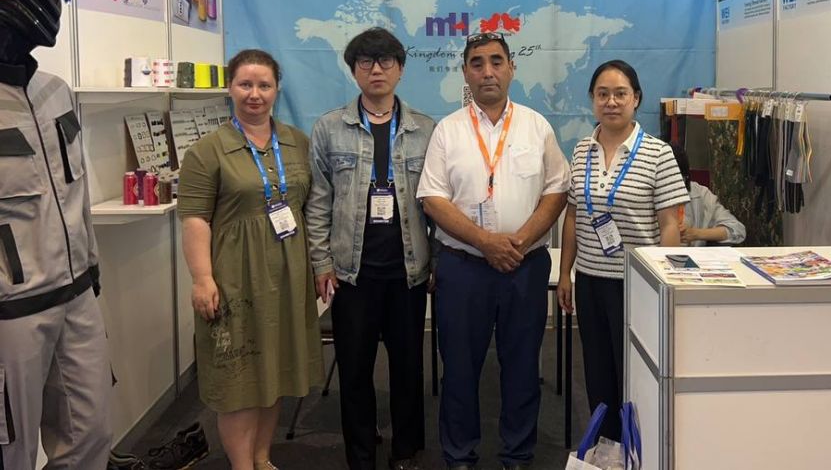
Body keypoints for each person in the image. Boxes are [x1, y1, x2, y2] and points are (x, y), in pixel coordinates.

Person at [417, 32, 569, 470]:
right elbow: (433, 199)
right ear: (465, 72)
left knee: (522, 366)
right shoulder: (447, 130)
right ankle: (459, 455)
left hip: (524, 265)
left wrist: (516, 243)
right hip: (464, 268)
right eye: (478, 63)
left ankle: (517, 454)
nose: (488, 71)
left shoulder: (537, 126)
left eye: (497, 62)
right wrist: (485, 242)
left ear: (511, 69)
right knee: (459, 368)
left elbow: (556, 190)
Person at [178, 49, 323, 470]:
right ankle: (242, 465)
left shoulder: (298, 142)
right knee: (239, 379)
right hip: (235, 278)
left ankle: (262, 457)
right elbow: (195, 220)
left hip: (288, 275)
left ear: (277, 89)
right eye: (245, 84)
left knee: (274, 371)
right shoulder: (207, 151)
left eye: (264, 85)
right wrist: (202, 278)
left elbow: (312, 207)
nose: (254, 94)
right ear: (230, 88)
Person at [0, 0, 113, 469]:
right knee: (12, 450)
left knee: (90, 436)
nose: (52, 6)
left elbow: (77, 190)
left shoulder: (56, 92)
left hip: (77, 297)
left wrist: (90, 268)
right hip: (11, 313)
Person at [306, 28, 435, 470]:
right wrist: (321, 263)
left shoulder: (425, 130)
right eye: (365, 61)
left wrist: (437, 261)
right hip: (351, 274)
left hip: (408, 272)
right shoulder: (329, 128)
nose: (376, 69)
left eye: (385, 61)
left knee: (407, 369)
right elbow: (318, 202)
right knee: (355, 371)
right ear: (354, 70)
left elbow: (437, 204)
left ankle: (406, 451)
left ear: (400, 69)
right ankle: (360, 455)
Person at [557, 60, 688, 442]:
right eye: (602, 94)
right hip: (590, 281)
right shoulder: (582, 150)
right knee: (597, 373)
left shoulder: (658, 154)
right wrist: (565, 273)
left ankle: (639, 451)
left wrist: (664, 283)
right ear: (592, 99)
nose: (611, 102)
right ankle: (608, 449)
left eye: (620, 94)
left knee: (633, 373)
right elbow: (573, 215)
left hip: (636, 284)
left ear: (636, 98)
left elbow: (670, 225)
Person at [670, 144, 747, 247]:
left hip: (693, 255)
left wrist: (696, 234)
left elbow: (737, 230)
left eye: (678, 180)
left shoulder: (700, 194)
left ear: (686, 177)